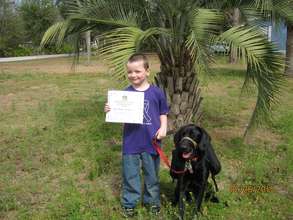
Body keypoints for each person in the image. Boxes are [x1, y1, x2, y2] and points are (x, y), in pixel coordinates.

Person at [104, 53, 169, 217]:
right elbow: (120, 117)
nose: (133, 75)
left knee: (151, 175)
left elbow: (163, 112)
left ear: (147, 71)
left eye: (138, 71)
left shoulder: (157, 93)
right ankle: (129, 203)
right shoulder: (125, 94)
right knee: (130, 175)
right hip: (131, 142)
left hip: (152, 141)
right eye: (130, 72)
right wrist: (111, 110)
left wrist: (163, 128)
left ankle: (152, 202)